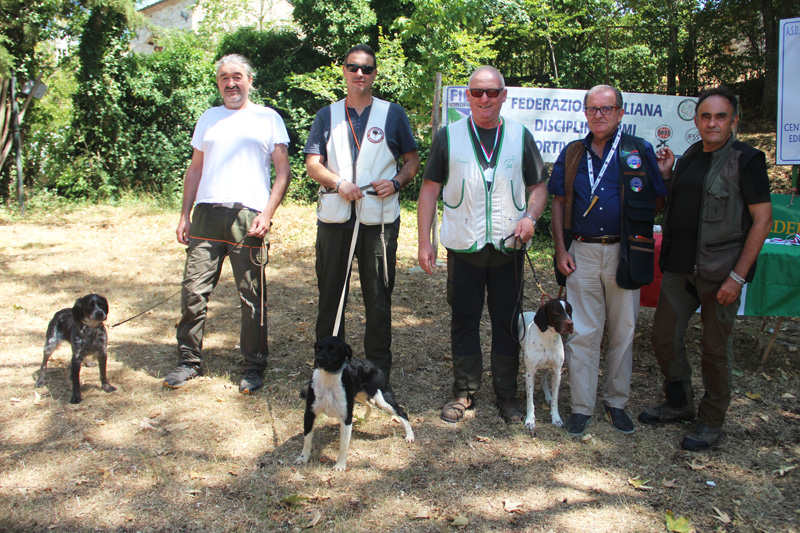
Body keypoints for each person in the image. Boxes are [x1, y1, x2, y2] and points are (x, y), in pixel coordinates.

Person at [639, 87, 772, 451]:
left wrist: (737, 276)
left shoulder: (748, 160)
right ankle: (679, 402)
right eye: (706, 116)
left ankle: (711, 420)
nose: (712, 123)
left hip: (720, 273)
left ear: (734, 121)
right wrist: (666, 176)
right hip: (680, 270)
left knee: (715, 350)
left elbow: (762, 220)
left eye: (721, 116)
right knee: (663, 337)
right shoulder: (693, 154)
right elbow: (679, 205)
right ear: (696, 121)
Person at [418, 66, 548, 424]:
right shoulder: (449, 136)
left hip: (509, 248)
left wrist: (531, 218)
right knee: (464, 321)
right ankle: (463, 392)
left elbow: (538, 188)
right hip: (464, 247)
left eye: (492, 92)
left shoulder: (521, 136)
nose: (485, 99)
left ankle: (507, 394)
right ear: (467, 96)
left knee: (508, 323)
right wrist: (424, 242)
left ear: (504, 95)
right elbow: (429, 189)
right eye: (477, 92)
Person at [163, 54, 291, 394]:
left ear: (250, 81)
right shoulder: (209, 117)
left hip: (247, 217)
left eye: (237, 76)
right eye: (224, 77)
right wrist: (184, 214)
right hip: (206, 215)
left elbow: (283, 171)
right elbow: (195, 169)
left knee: (251, 296)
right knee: (193, 290)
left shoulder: (268, 118)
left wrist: (267, 213)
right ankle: (188, 361)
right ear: (218, 83)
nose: (231, 83)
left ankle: (253, 365)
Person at [549, 84, 667, 437]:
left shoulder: (637, 149)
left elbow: (657, 199)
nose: (599, 115)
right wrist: (560, 249)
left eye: (606, 109)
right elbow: (557, 203)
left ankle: (616, 403)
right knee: (583, 332)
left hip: (623, 251)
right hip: (581, 251)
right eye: (592, 109)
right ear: (585, 113)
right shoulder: (572, 153)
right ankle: (582, 407)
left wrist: (633, 227)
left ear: (620, 112)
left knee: (624, 330)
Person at [304, 44, 420, 380]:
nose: (359, 74)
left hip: (378, 219)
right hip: (335, 218)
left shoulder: (392, 113)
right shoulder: (327, 114)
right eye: (353, 67)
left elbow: (411, 160)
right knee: (330, 297)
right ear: (343, 70)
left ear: (374, 74)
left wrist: (397, 182)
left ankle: (377, 374)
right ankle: (328, 368)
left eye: (367, 69)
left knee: (379, 298)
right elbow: (313, 164)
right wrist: (339, 183)